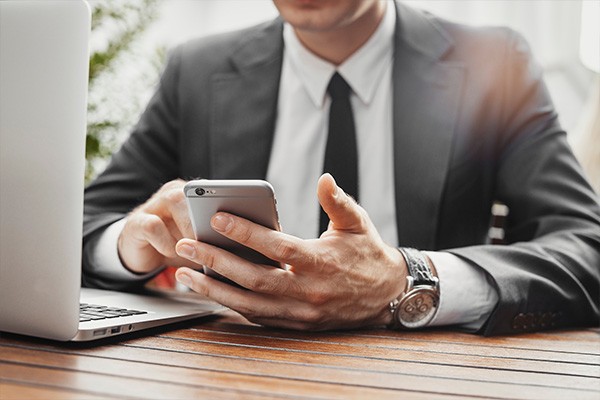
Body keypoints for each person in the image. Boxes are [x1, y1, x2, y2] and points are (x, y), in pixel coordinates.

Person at [83, 0, 600, 335]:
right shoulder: (197, 69)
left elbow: (586, 247)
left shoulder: (495, 62)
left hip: (428, 372)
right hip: (233, 367)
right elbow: (86, 224)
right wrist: (132, 243)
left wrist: (411, 279)